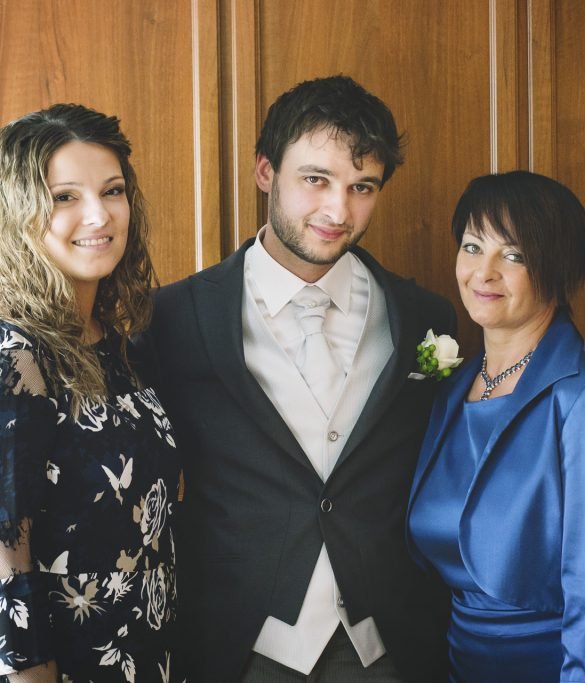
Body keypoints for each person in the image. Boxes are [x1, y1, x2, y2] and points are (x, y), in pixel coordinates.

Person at [147, 75, 454, 681]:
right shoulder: (176, 318)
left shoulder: (426, 318)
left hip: (388, 643)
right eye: (316, 179)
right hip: (239, 644)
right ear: (266, 171)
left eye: (362, 187)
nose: (338, 211)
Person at [406, 171, 585, 682]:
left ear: (556, 268)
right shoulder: (452, 390)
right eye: (472, 247)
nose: (484, 272)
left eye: (514, 255)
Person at [0, 104, 183, 683]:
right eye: (65, 197)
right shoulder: (4, 353)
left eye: (113, 191)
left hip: (145, 656)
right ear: (18, 215)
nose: (99, 214)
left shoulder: (121, 347)